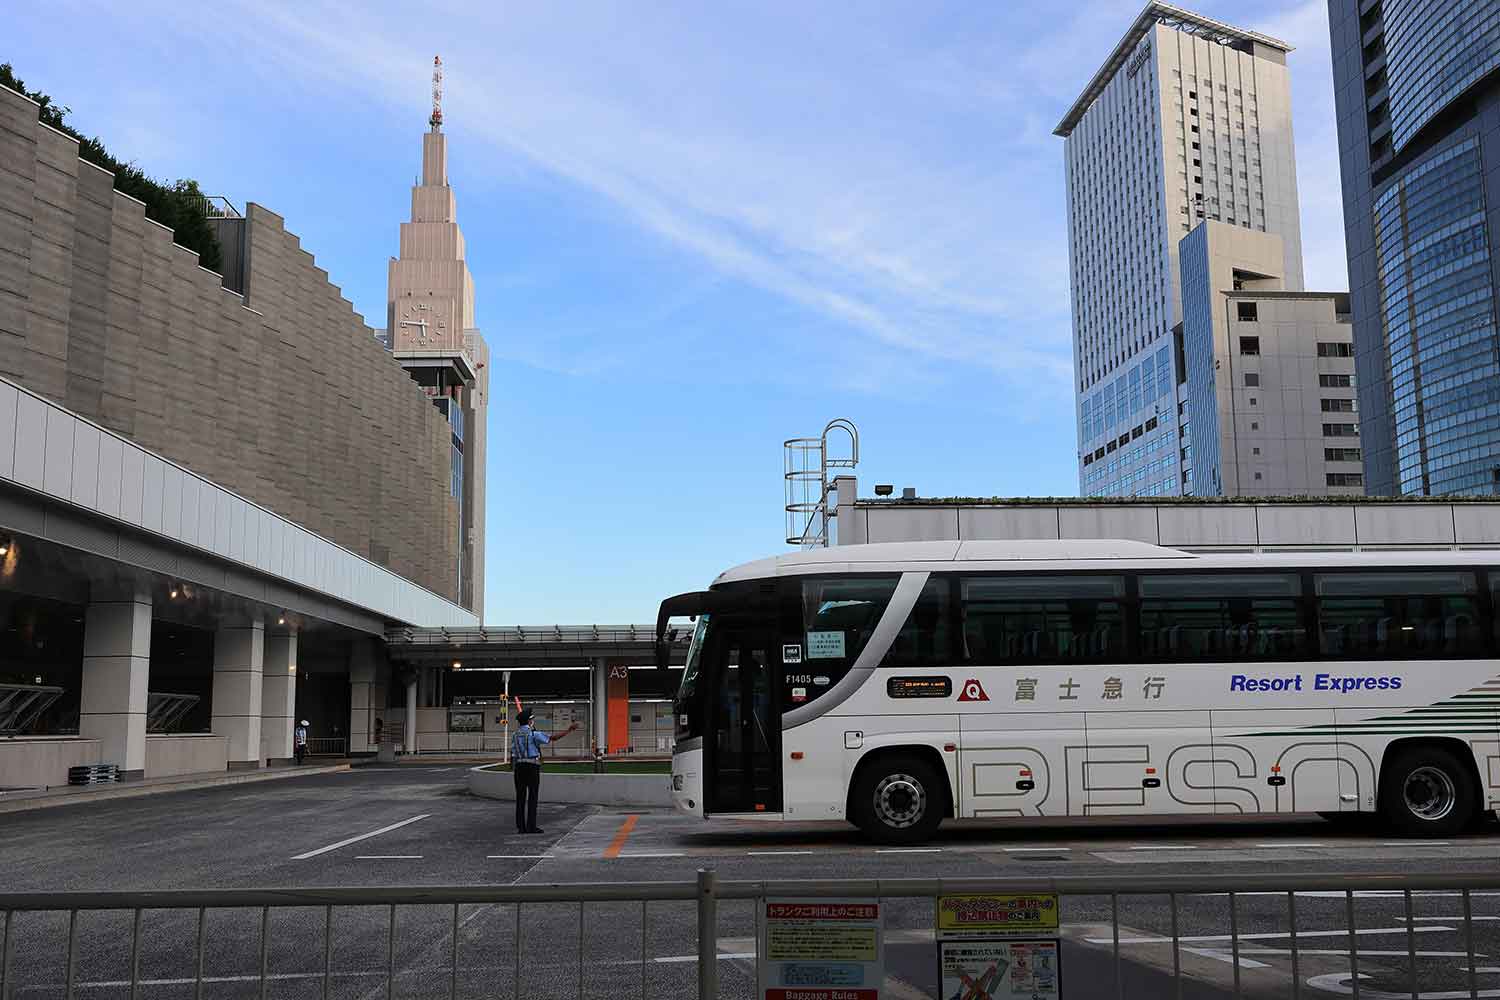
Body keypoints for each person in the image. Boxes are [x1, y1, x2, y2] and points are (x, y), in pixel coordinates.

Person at [511, 709, 578, 834]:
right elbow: (553, 738)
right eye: (532, 719)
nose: (533, 721)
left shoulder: (514, 735)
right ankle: (531, 826)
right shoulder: (534, 734)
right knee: (532, 797)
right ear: (529, 721)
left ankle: (521, 827)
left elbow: (513, 754)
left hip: (519, 768)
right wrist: (569, 730)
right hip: (532, 767)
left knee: (520, 798)